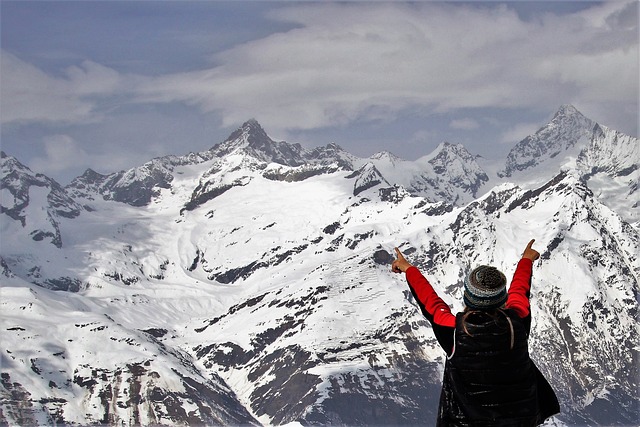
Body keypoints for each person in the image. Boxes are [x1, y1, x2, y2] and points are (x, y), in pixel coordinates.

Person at [392, 239, 559, 426]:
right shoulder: (517, 322)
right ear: (502, 298)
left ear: (468, 298)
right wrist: (526, 260)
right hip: (519, 419)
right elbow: (520, 290)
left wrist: (409, 269)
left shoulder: (454, 332)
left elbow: (431, 303)